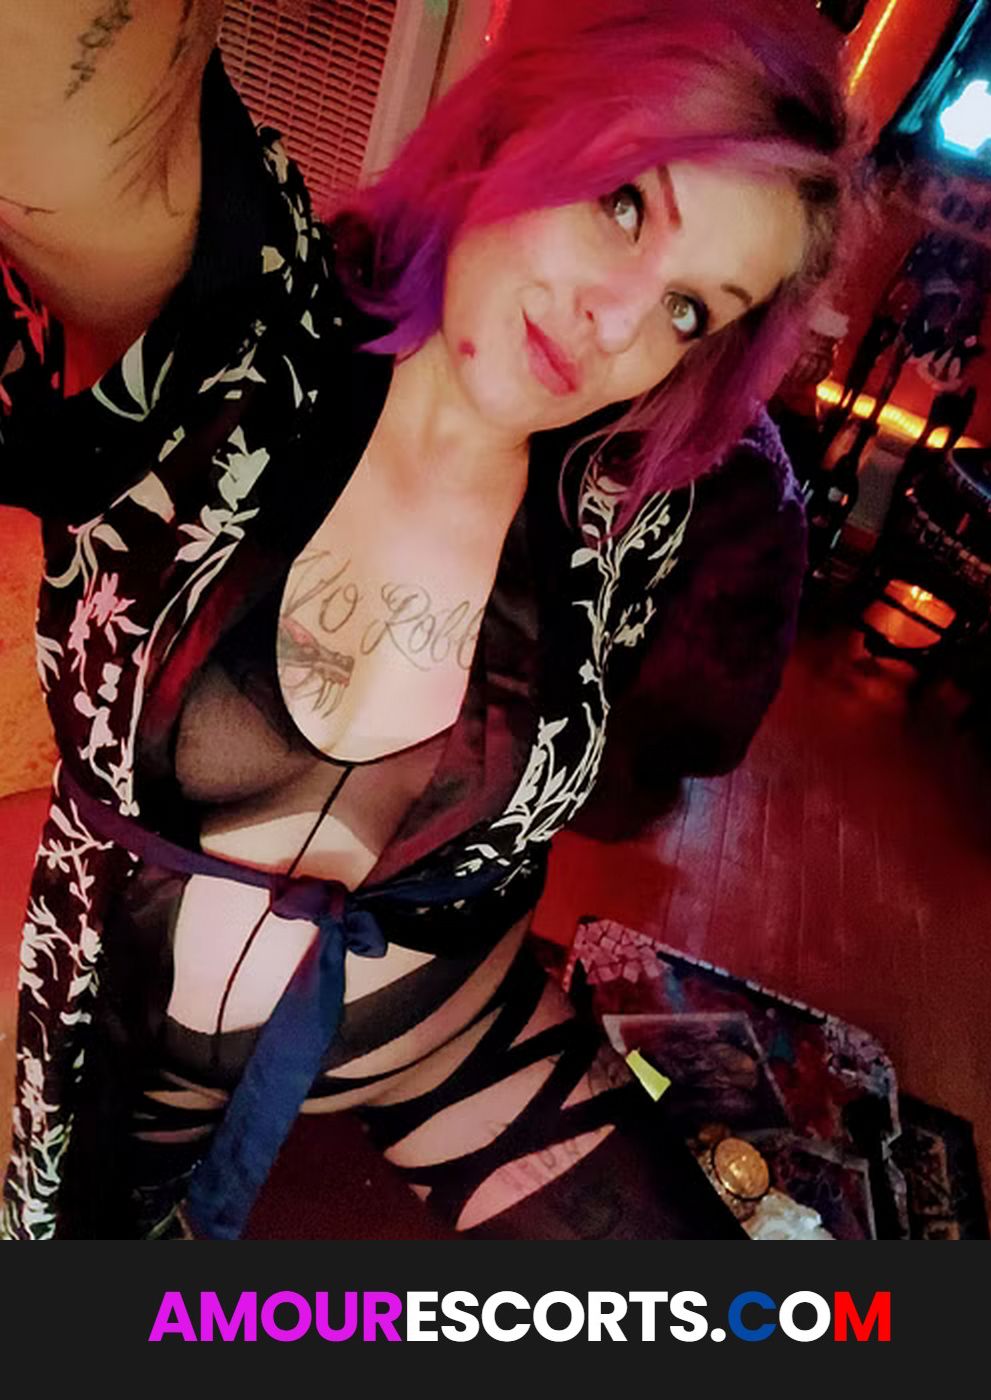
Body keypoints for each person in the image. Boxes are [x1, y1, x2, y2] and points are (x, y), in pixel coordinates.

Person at [0, 0, 858, 1240]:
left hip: (450, 1030)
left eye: (690, 308)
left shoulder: (621, 506)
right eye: (625, 203)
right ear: (519, 122)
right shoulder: (243, 331)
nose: (622, 323)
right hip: (123, 1046)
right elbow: (62, 92)